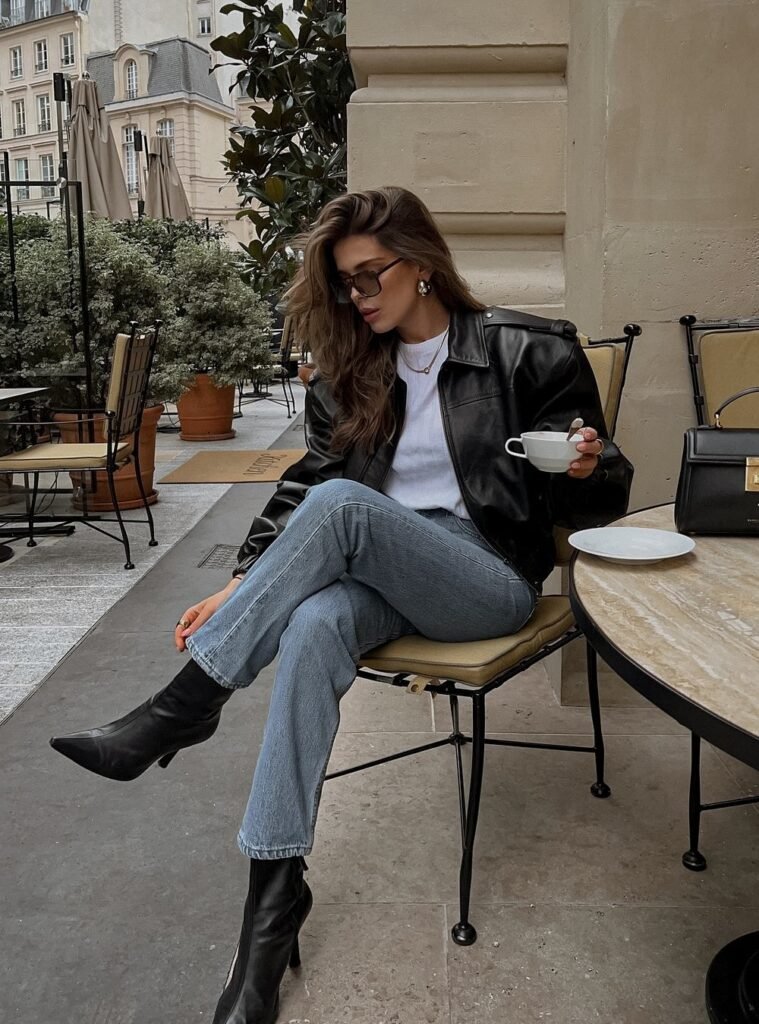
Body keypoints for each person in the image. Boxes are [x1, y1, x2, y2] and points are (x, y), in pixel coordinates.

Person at [50, 186, 633, 1023]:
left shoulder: (526, 350)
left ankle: (182, 709)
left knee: (343, 512)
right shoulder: (353, 368)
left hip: (488, 581)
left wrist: (584, 467)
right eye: (344, 284)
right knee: (318, 619)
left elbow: (606, 494)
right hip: (381, 568)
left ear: (422, 264)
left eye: (369, 278)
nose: (356, 298)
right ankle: (270, 916)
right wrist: (240, 580)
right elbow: (306, 488)